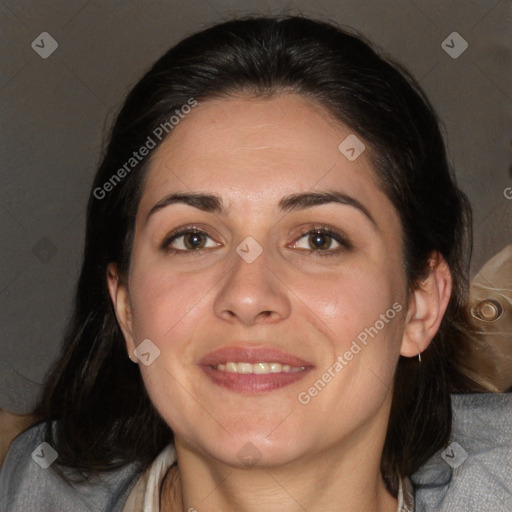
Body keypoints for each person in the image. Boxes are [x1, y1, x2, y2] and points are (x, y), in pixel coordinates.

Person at [0, 15, 510, 512]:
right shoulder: (28, 486)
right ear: (128, 309)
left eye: (319, 239)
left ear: (420, 305)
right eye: (193, 239)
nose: (247, 295)